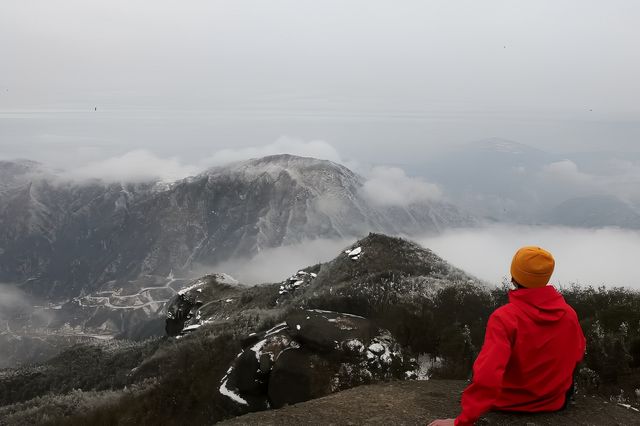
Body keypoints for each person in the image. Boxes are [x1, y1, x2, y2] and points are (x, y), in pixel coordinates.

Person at [428, 246, 586, 426]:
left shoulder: (505, 317)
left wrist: (461, 422)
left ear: (513, 277)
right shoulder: (569, 314)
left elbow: (488, 375)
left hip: (509, 404)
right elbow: (578, 353)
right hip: (554, 402)